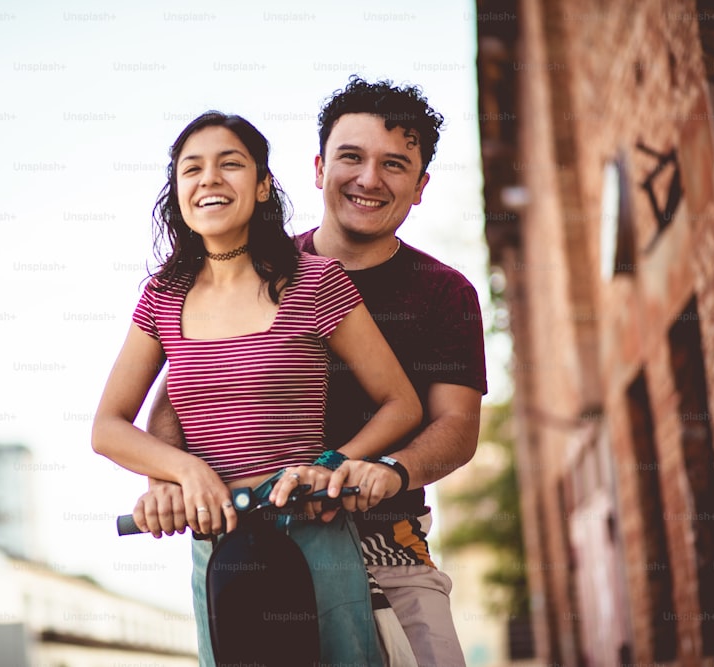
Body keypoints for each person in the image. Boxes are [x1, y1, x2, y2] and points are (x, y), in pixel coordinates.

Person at [135, 78, 488, 667]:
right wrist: (169, 485)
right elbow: (180, 401)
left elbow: (456, 426)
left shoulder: (444, 293)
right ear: (320, 167)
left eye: (395, 164)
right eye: (351, 157)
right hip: (254, 541)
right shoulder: (253, 273)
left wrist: (385, 469)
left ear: (421, 186)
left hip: (385, 539)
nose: (369, 179)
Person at [92, 110, 423, 665]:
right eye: (191, 169)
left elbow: (402, 404)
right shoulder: (162, 297)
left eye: (231, 165)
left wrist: (332, 463)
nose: (210, 180)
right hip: (217, 547)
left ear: (263, 184)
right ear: (178, 193)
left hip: (314, 534)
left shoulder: (315, 281)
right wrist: (183, 475)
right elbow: (108, 427)